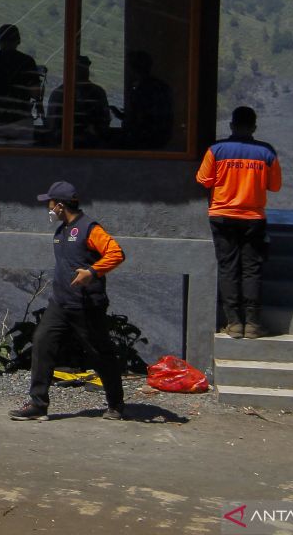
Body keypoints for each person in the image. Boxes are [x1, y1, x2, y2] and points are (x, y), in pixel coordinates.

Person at [10, 181, 126, 422]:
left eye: (50, 203)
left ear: (60, 205)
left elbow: (116, 253)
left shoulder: (89, 228)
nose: (48, 208)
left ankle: (115, 404)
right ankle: (37, 404)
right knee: (42, 343)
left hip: (86, 305)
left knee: (100, 353)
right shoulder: (60, 231)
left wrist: (92, 272)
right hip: (60, 303)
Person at [195, 106, 281, 339]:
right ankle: (252, 324)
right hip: (253, 217)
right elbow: (274, 186)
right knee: (252, 269)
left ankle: (233, 323)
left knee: (228, 268)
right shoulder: (267, 152)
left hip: (222, 215)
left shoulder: (217, 150)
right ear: (254, 127)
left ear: (232, 126)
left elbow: (204, 180)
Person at [0, 24, 42, 146]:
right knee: (21, 163)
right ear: (18, 41)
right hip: (21, 121)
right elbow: (36, 93)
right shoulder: (27, 62)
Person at [110, 50, 174, 150]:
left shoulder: (144, 89)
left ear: (133, 68)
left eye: (127, 65)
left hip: (144, 141)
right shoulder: (158, 86)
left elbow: (142, 118)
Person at [45, 55, 111, 148]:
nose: (84, 71)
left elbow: (51, 123)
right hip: (73, 143)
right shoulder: (97, 92)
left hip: (83, 143)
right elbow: (105, 120)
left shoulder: (59, 92)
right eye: (81, 68)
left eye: (84, 68)